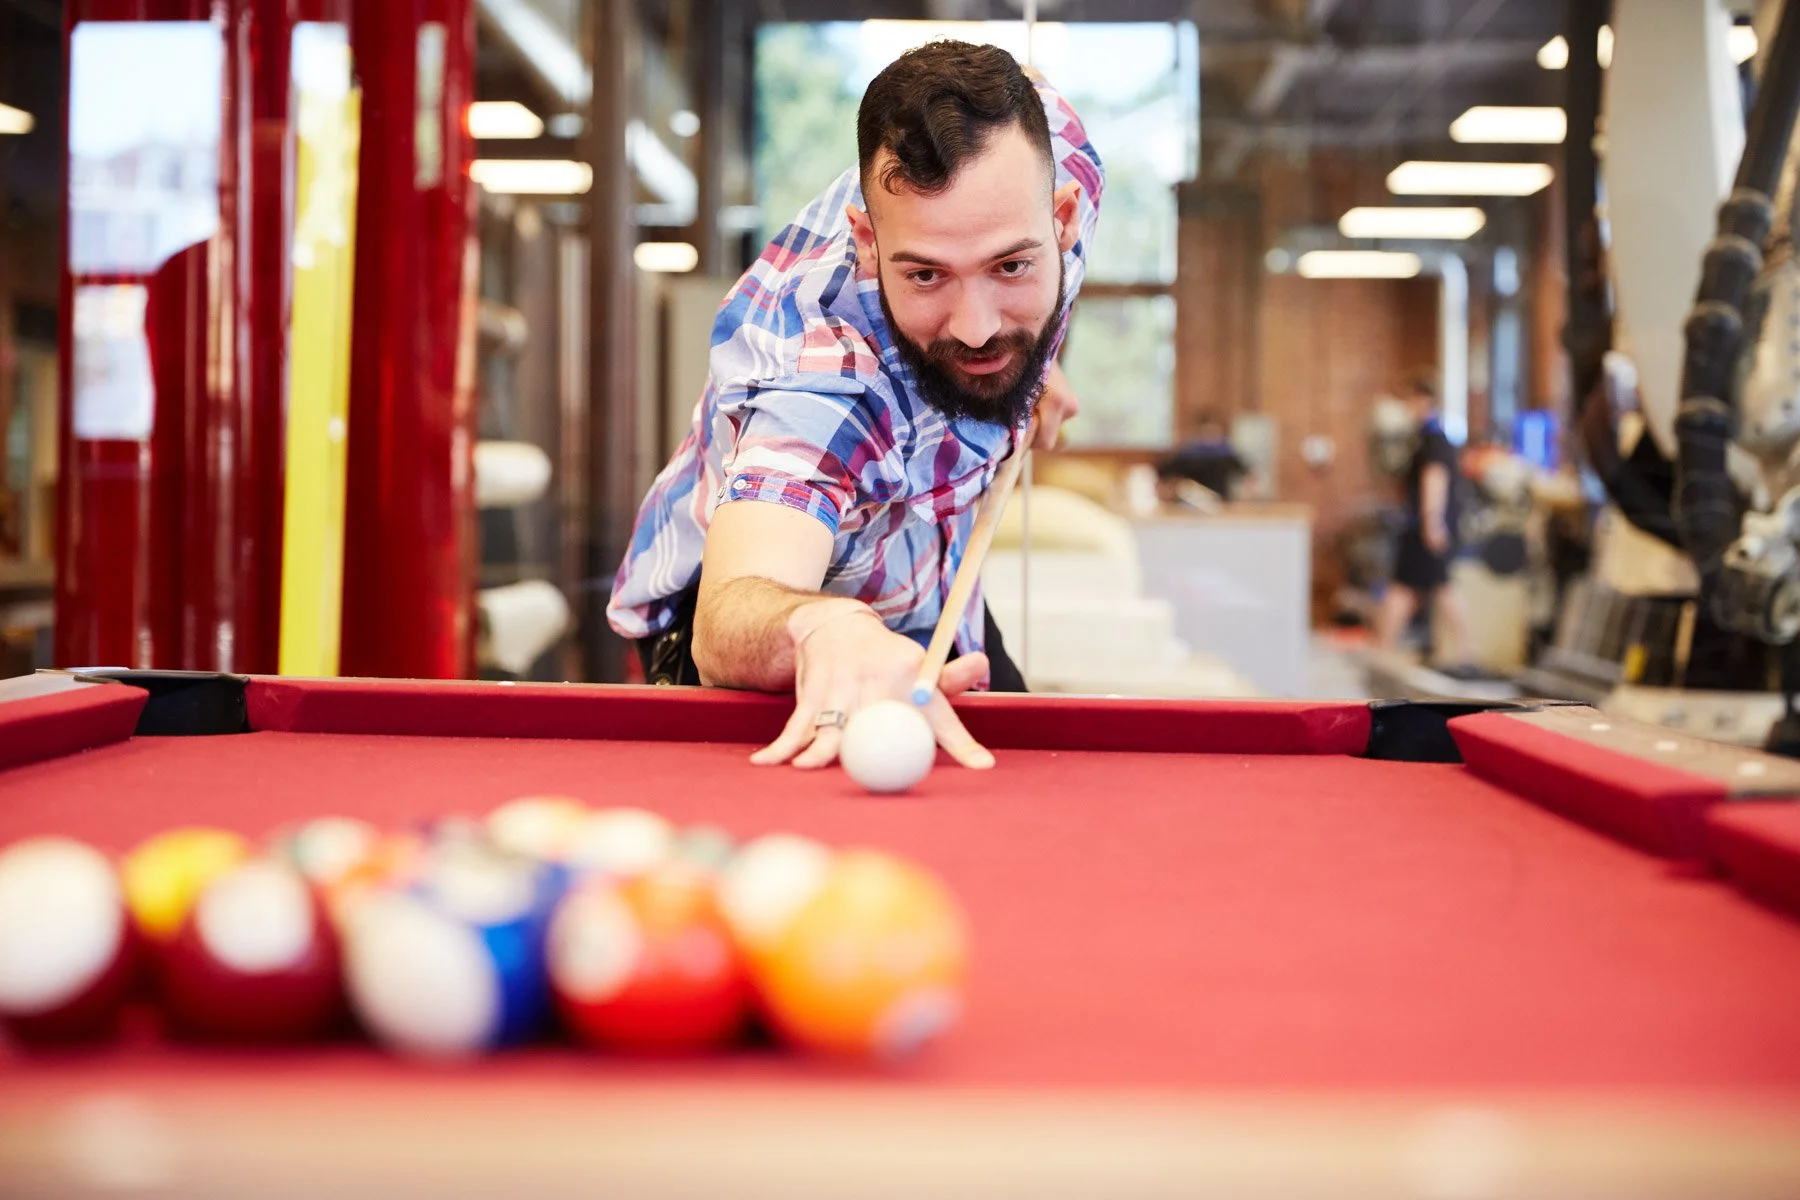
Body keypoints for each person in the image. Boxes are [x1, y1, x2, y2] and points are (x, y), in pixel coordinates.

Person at [607, 41, 1102, 772]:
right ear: (869, 243)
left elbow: (1028, 95)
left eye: (1011, 266)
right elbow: (728, 614)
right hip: (778, 627)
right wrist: (825, 626)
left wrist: (1027, 365)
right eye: (927, 274)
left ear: (1062, 221)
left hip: (926, 573)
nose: (976, 326)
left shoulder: (1064, 161)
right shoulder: (822, 383)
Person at [1374, 374, 1477, 671]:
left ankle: (1385, 648)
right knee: (1433, 587)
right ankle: (1466, 650)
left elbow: (1435, 479)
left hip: (1425, 525)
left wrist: (1432, 522)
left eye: (1411, 400)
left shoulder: (1433, 437)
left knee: (1415, 587)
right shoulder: (1420, 436)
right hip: (1421, 523)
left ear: (1425, 400)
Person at [1157, 411, 1249, 502]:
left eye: (1213, 432)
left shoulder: (1227, 455)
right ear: (1198, 433)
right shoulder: (1187, 455)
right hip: (1190, 502)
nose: (1209, 438)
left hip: (1221, 502)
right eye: (1206, 432)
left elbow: (1246, 475)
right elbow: (1164, 476)